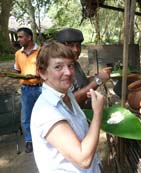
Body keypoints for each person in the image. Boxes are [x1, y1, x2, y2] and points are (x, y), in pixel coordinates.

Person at [31, 41, 104, 173]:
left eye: (70, 66)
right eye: (58, 67)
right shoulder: (47, 112)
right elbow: (83, 159)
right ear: (42, 73)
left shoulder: (67, 93)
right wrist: (98, 112)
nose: (68, 72)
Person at [55, 28, 111, 108]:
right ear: (59, 47)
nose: (76, 49)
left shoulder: (75, 64)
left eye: (78, 45)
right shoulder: (58, 70)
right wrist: (98, 81)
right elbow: (71, 101)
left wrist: (98, 76)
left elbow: (83, 83)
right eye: (71, 45)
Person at [14, 27, 42, 153]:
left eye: (20, 37)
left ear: (29, 37)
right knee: (26, 117)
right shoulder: (18, 54)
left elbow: (48, 68)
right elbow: (18, 70)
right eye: (18, 37)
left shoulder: (41, 51)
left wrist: (38, 76)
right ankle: (29, 141)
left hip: (41, 88)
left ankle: (45, 138)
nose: (18, 39)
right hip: (26, 89)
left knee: (44, 113)